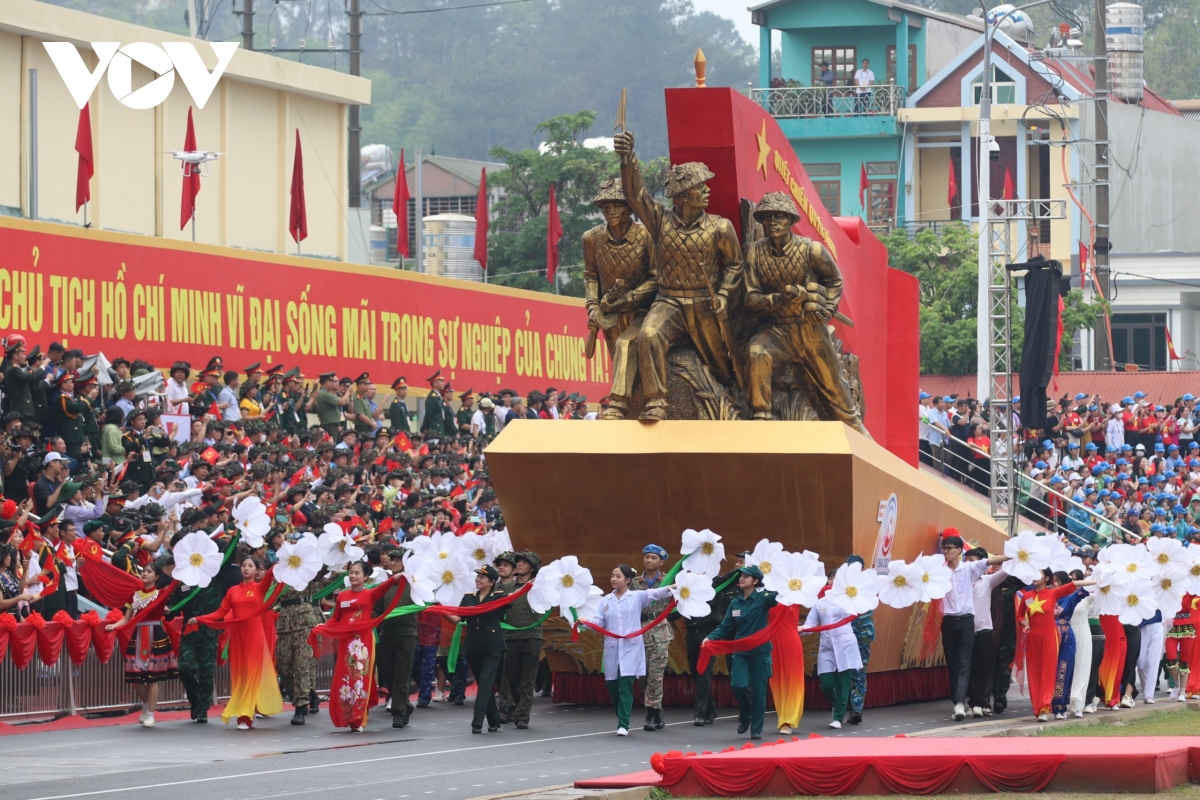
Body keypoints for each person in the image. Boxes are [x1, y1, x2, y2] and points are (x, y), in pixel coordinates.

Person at [614, 130, 743, 422]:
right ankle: (656, 401)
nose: (708, 191)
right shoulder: (660, 221)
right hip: (669, 301)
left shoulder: (720, 227)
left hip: (703, 305)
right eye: (701, 187)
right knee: (648, 335)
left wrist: (723, 295)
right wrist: (627, 158)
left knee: (721, 365)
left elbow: (736, 265)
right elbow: (635, 195)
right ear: (683, 195)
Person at [582, 177, 654, 421]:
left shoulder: (647, 235)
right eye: (605, 207)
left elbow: (656, 278)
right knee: (619, 360)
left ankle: (618, 405)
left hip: (643, 311)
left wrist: (630, 298)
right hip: (609, 313)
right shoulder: (591, 239)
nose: (610, 211)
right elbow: (590, 276)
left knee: (626, 345)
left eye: (617, 206)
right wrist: (592, 306)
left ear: (630, 207)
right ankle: (632, 406)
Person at [190, 555, 284, 729]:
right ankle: (248, 709)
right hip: (237, 637)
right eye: (244, 565)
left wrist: (283, 561)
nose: (246, 568)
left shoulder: (260, 588)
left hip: (254, 635)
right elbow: (220, 613)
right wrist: (200, 619)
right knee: (240, 675)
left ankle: (245, 716)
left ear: (256, 570)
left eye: (250, 566)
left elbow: (270, 575)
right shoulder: (233, 591)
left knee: (251, 673)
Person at [313, 559, 401, 731]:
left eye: (357, 573)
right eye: (351, 572)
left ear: (366, 576)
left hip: (363, 644)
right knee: (346, 680)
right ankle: (347, 715)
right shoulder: (343, 596)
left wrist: (396, 577)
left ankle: (359, 718)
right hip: (346, 643)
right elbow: (335, 618)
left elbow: (386, 586)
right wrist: (323, 627)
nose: (353, 576)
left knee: (361, 678)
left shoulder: (370, 594)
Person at [593, 563, 674, 736]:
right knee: (612, 686)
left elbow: (656, 593)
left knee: (625, 683)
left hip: (630, 647)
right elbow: (598, 621)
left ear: (628, 580)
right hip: (612, 647)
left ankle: (624, 723)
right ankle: (621, 716)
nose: (614, 579)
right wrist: (584, 622)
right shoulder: (606, 600)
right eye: (612, 576)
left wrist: (673, 588)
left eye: (618, 576)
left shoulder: (637, 597)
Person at [939, 530, 1009, 721]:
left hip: (968, 622)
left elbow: (991, 562)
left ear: (959, 550)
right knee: (953, 664)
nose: (945, 552)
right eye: (943, 548)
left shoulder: (969, 569)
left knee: (966, 663)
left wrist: (1018, 555)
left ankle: (964, 703)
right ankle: (958, 702)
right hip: (948, 621)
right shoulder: (939, 572)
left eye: (949, 548)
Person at [707, 564, 777, 738]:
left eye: (747, 576)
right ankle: (746, 715)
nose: (742, 578)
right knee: (738, 685)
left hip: (760, 651)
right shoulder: (734, 603)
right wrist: (711, 638)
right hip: (740, 650)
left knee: (760, 691)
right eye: (741, 576)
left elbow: (780, 596)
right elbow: (726, 626)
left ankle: (756, 728)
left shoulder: (764, 598)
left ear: (755, 581)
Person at [106, 562, 178, 729]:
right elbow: (126, 618)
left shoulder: (160, 594)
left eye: (149, 571)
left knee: (153, 678)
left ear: (157, 577)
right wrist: (114, 626)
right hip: (138, 636)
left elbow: (175, 583)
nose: (145, 573)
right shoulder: (134, 595)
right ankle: (146, 705)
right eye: (144, 570)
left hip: (156, 634)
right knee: (136, 678)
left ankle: (151, 714)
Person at [1019, 568, 1094, 721]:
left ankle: (1045, 708)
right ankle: (1038, 706)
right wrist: (1025, 624)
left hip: (1051, 637)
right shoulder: (1027, 596)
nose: (1033, 577)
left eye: (1038, 574)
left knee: (1049, 672)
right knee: (1034, 674)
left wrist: (1096, 580)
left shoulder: (1053, 593)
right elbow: (1020, 614)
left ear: (1047, 578)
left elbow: (1074, 585)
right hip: (1033, 639)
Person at [447, 564, 510, 734]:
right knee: (484, 684)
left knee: (486, 683)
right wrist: (440, 608)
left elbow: (512, 601)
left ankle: (477, 723)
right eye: (477, 577)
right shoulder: (469, 598)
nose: (478, 580)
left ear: (491, 581)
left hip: (493, 646)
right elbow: (457, 619)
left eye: (482, 577)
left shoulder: (499, 597)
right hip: (474, 646)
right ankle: (494, 720)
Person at [805, 573, 860, 729]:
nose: (834, 582)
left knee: (843, 683)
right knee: (827, 684)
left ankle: (838, 717)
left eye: (838, 580)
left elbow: (859, 610)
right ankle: (839, 704)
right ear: (828, 581)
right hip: (827, 646)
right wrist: (800, 629)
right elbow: (811, 624)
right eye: (831, 579)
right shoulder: (820, 603)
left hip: (845, 645)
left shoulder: (852, 600)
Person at [375, 547, 418, 729]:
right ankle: (404, 704)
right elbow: (376, 609)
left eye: (397, 560)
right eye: (391, 559)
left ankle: (399, 713)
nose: (392, 562)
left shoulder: (414, 584)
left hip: (407, 634)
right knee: (387, 675)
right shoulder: (384, 585)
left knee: (401, 675)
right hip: (386, 633)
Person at [499, 550, 542, 729]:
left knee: (527, 680)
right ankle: (518, 707)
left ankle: (522, 716)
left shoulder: (539, 587)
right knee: (512, 677)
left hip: (532, 637)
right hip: (511, 637)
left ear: (532, 568)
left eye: (524, 562)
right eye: (519, 562)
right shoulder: (508, 588)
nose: (519, 564)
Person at [635, 543, 673, 731]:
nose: (649, 560)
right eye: (646, 557)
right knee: (643, 675)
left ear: (662, 562)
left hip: (659, 631)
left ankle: (650, 713)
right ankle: (657, 709)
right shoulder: (634, 583)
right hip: (640, 632)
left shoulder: (669, 581)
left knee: (656, 675)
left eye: (653, 558)